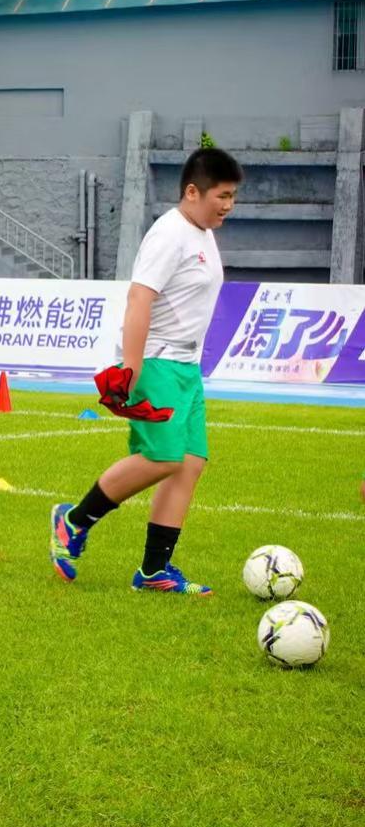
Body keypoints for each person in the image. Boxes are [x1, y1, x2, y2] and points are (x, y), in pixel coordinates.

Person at [49, 147, 243, 595]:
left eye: (233, 196)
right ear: (192, 192)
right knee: (163, 457)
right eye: (223, 195)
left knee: (189, 464)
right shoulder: (170, 234)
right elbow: (140, 298)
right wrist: (131, 365)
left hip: (186, 368)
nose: (229, 205)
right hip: (155, 360)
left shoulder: (203, 233)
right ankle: (72, 521)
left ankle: (154, 570)